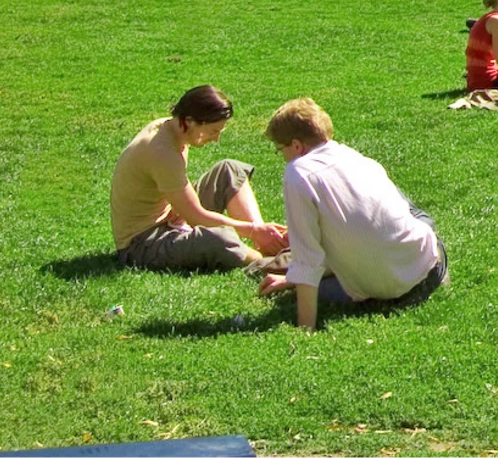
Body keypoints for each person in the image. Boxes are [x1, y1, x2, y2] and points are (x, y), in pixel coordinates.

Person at [256, 99, 447, 330]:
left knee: (321, 283)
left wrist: (305, 329)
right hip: (429, 271)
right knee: (408, 211)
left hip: (381, 291)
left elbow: (308, 258)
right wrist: (290, 280)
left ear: (296, 146)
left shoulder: (298, 173)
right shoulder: (354, 157)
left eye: (281, 150)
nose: (283, 156)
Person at [110, 85, 286, 272]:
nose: (216, 139)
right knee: (219, 238)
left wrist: (256, 230)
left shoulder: (171, 128)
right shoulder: (162, 152)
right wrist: (251, 230)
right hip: (142, 244)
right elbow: (196, 217)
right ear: (190, 121)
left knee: (230, 169)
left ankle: (267, 243)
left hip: (170, 219)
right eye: (212, 131)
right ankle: (267, 261)